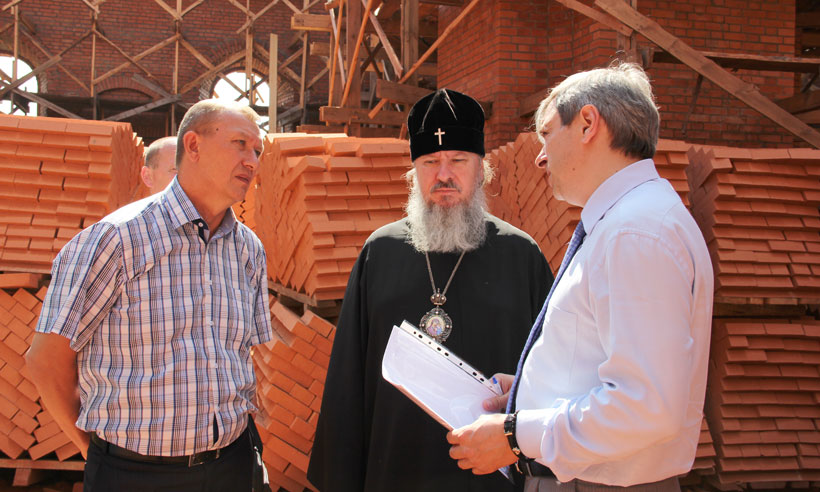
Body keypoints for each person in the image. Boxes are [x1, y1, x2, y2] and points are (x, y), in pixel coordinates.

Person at [447, 63, 714, 492]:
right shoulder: (628, 222)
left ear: (588, 123)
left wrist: (516, 435)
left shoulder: (635, 233)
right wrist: (529, 393)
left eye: (547, 134)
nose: (540, 156)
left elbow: (645, 406)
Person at [307, 89, 553, 492]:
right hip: (395, 470)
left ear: (481, 169)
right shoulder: (379, 252)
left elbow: (551, 371)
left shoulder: (521, 255)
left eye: (458, 160)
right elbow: (348, 379)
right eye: (430, 162)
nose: (443, 175)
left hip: (490, 476)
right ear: (413, 173)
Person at [26, 99, 272, 492]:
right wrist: (97, 453)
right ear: (193, 145)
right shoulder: (115, 239)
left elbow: (244, 358)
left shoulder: (248, 250)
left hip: (232, 467)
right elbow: (46, 360)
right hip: (133, 475)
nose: (252, 161)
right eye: (240, 144)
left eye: (257, 151)